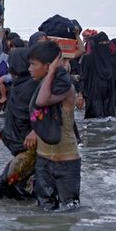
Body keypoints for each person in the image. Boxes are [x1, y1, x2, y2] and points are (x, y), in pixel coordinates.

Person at [29, 41, 81, 211]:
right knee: (44, 212)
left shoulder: (65, 87)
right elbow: (41, 114)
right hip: (43, 160)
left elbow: (41, 102)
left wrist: (52, 72)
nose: (29, 68)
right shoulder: (43, 85)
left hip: (66, 161)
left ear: (47, 66)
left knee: (69, 212)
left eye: (33, 64)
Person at [0, 48, 38, 200]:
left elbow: (40, 112)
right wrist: (1, 134)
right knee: (13, 187)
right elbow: (14, 116)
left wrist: (35, 131)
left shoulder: (33, 86)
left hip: (29, 150)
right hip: (21, 148)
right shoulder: (17, 85)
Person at [77, 32, 116, 118]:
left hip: (106, 93)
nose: (105, 45)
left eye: (107, 43)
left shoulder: (110, 58)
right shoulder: (89, 58)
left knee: (101, 119)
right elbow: (84, 77)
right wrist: (80, 95)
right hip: (96, 92)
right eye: (103, 43)